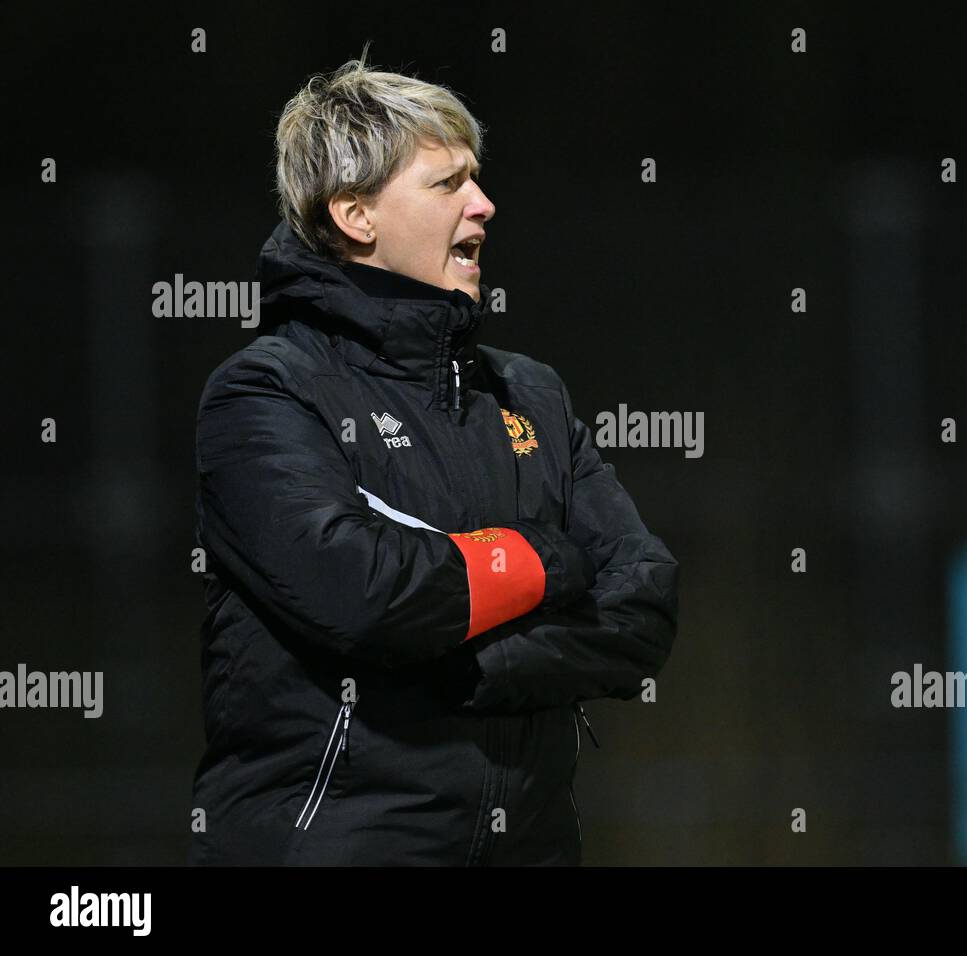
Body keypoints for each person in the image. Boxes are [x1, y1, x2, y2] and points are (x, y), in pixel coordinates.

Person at [186, 52, 679, 865]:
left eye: (476, 180)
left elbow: (644, 604)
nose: (484, 205)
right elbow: (364, 593)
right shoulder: (263, 394)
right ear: (356, 215)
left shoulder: (532, 394)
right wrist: (545, 562)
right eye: (447, 184)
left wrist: (465, 663)